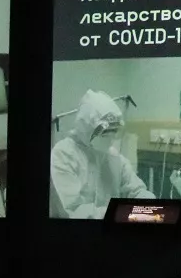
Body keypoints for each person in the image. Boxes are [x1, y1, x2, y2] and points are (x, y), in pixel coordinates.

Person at [49, 89, 152, 219]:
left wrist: (149, 206)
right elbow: (73, 210)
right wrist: (122, 213)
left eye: (113, 130)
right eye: (105, 131)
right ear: (86, 127)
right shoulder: (63, 155)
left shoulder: (114, 156)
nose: (110, 136)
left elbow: (137, 190)